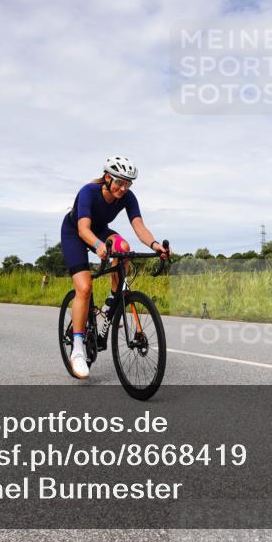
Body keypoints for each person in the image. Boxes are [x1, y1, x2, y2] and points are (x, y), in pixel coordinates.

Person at [60, 156, 167, 379]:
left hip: (99, 230)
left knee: (124, 249)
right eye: (119, 182)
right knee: (84, 287)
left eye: (128, 183)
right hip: (75, 232)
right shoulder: (89, 192)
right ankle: (77, 349)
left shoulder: (128, 197)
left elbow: (139, 227)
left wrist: (155, 245)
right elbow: (83, 230)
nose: (123, 188)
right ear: (107, 178)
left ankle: (111, 302)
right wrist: (98, 245)